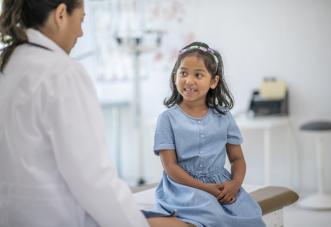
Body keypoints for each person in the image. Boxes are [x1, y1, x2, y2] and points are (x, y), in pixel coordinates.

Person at [0, 1, 189, 227]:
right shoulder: (62, 72)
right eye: (80, 20)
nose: (81, 32)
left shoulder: (8, 64)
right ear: (61, 14)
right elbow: (93, 179)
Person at [152, 42, 267, 227]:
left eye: (198, 74)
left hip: (222, 185)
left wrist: (234, 184)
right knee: (214, 217)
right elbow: (171, 168)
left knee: (251, 216)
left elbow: (237, 159)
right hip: (183, 187)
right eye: (183, 73)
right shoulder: (167, 119)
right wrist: (207, 189)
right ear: (175, 77)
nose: (189, 80)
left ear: (213, 81)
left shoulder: (224, 116)